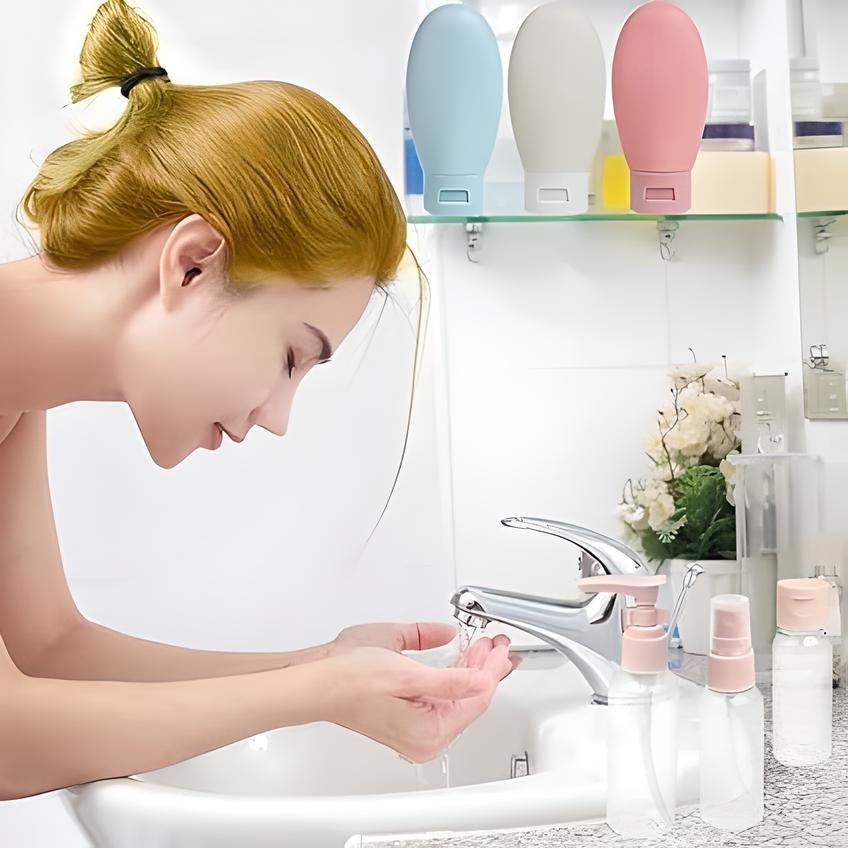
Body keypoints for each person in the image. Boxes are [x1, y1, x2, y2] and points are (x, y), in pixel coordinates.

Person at [0, 0, 519, 802]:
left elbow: (46, 651)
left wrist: (323, 667)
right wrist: (317, 696)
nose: (277, 417)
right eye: (290, 357)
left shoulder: (16, 384)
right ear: (194, 263)